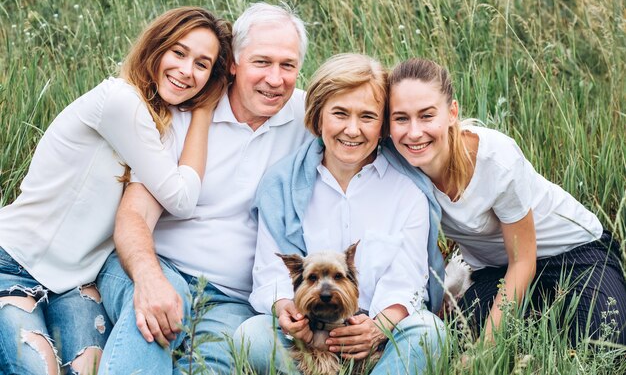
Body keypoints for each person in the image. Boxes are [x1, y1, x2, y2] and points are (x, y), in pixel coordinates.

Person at [0, 6, 232, 375]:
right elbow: (182, 199)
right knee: (37, 369)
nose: (187, 71)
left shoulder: (162, 123)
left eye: (202, 64)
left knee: (87, 369)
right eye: (179, 52)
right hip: (13, 262)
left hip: (75, 281)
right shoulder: (120, 102)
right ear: (156, 48)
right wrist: (204, 112)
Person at [96, 2, 311, 374]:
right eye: (262, 62)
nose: (275, 80)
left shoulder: (309, 120)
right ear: (233, 63)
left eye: (288, 65)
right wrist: (150, 280)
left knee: (213, 365)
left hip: (234, 298)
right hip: (157, 266)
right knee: (152, 323)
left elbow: (372, 123)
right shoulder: (185, 113)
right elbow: (134, 214)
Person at [387, 57, 626, 344]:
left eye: (427, 116)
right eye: (401, 118)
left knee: (604, 341)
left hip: (573, 253)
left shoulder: (495, 160)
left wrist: (484, 352)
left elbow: (523, 260)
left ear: (452, 113)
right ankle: (539, 307)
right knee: (459, 337)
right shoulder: (399, 165)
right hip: (495, 269)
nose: (414, 132)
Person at [234, 53, 446, 375]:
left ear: (383, 126)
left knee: (430, 334)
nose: (352, 129)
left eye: (367, 117)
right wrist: (289, 312)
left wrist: (377, 328)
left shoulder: (407, 190)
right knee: (251, 336)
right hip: (309, 336)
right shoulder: (282, 185)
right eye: (340, 113)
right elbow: (270, 271)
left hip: (378, 334)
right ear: (319, 117)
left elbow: (407, 280)